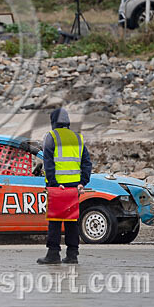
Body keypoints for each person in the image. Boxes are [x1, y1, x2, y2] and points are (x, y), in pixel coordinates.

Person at [37, 108, 92, 265]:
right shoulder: (78, 138)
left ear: (53, 122)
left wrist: (54, 183)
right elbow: (86, 162)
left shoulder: (51, 137)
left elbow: (48, 163)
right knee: (71, 221)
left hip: (58, 187)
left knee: (55, 221)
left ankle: (53, 253)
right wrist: (83, 182)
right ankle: (72, 254)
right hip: (74, 188)